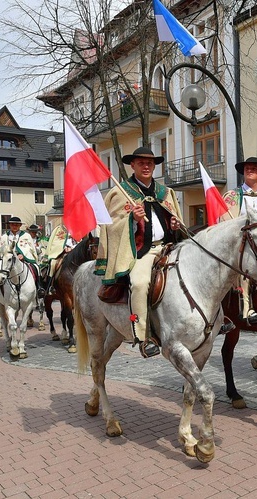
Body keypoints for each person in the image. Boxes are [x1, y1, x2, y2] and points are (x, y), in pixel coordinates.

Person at [95, 146, 183, 358]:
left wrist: (174, 225)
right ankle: (143, 337)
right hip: (144, 252)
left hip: (169, 247)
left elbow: (175, 219)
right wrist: (131, 220)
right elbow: (111, 227)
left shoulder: (165, 192)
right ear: (132, 165)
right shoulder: (120, 193)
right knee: (140, 284)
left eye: (150, 163)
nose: (146, 166)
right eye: (141, 162)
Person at [221, 157, 257, 324]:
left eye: (254, 168)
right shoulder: (231, 197)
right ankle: (246, 308)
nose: (250, 170)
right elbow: (224, 224)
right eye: (247, 168)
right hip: (239, 247)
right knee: (247, 265)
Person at [0, 216, 45, 300]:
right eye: (12, 224)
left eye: (16, 225)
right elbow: (0, 248)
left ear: (20, 226)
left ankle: (39, 287)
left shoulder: (26, 236)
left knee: (36, 267)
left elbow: (31, 248)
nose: (14, 226)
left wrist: (23, 255)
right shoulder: (4, 237)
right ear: (9, 225)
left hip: (24, 259)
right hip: (8, 259)